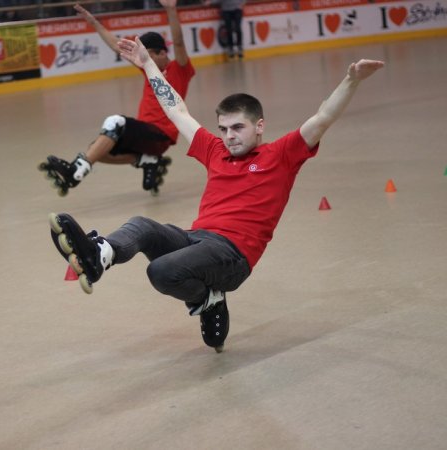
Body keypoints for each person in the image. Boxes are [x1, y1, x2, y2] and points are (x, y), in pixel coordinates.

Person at [48, 36, 384, 352]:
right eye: (223, 128)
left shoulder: (281, 155)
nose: (229, 136)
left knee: (161, 271)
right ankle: (99, 255)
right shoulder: (215, 150)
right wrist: (148, 64)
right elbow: (176, 110)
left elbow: (322, 118)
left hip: (232, 256)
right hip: (196, 240)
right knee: (142, 226)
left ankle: (208, 299)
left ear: (259, 126)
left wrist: (351, 79)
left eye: (238, 127)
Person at [38, 0, 195, 196]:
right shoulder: (148, 67)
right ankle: (147, 160)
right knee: (98, 149)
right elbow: (116, 45)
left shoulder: (180, 69)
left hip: (161, 135)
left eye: (147, 55)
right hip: (144, 133)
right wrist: (93, 22)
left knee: (115, 123)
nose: (143, 59)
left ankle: (75, 172)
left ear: (162, 52)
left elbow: (178, 42)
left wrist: (171, 9)